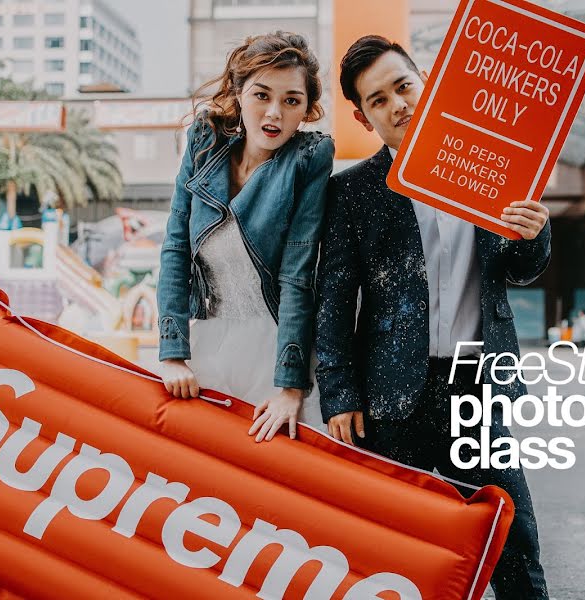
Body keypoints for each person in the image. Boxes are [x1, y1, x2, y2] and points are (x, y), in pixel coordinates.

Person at [315, 35, 550, 599]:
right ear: (363, 117)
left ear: (427, 85)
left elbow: (519, 269)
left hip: (477, 384)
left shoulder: (492, 168)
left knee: (513, 542)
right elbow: (334, 298)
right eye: (379, 100)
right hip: (391, 395)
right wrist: (339, 393)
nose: (398, 104)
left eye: (404, 86)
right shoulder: (351, 192)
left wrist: (535, 233)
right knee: (393, 550)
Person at [157, 31, 334, 442]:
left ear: (306, 110)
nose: (274, 113)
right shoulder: (203, 143)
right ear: (238, 93)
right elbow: (176, 249)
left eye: (292, 100)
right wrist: (172, 352)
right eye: (261, 95)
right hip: (204, 344)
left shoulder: (309, 158)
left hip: (274, 349)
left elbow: (298, 273)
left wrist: (291, 388)